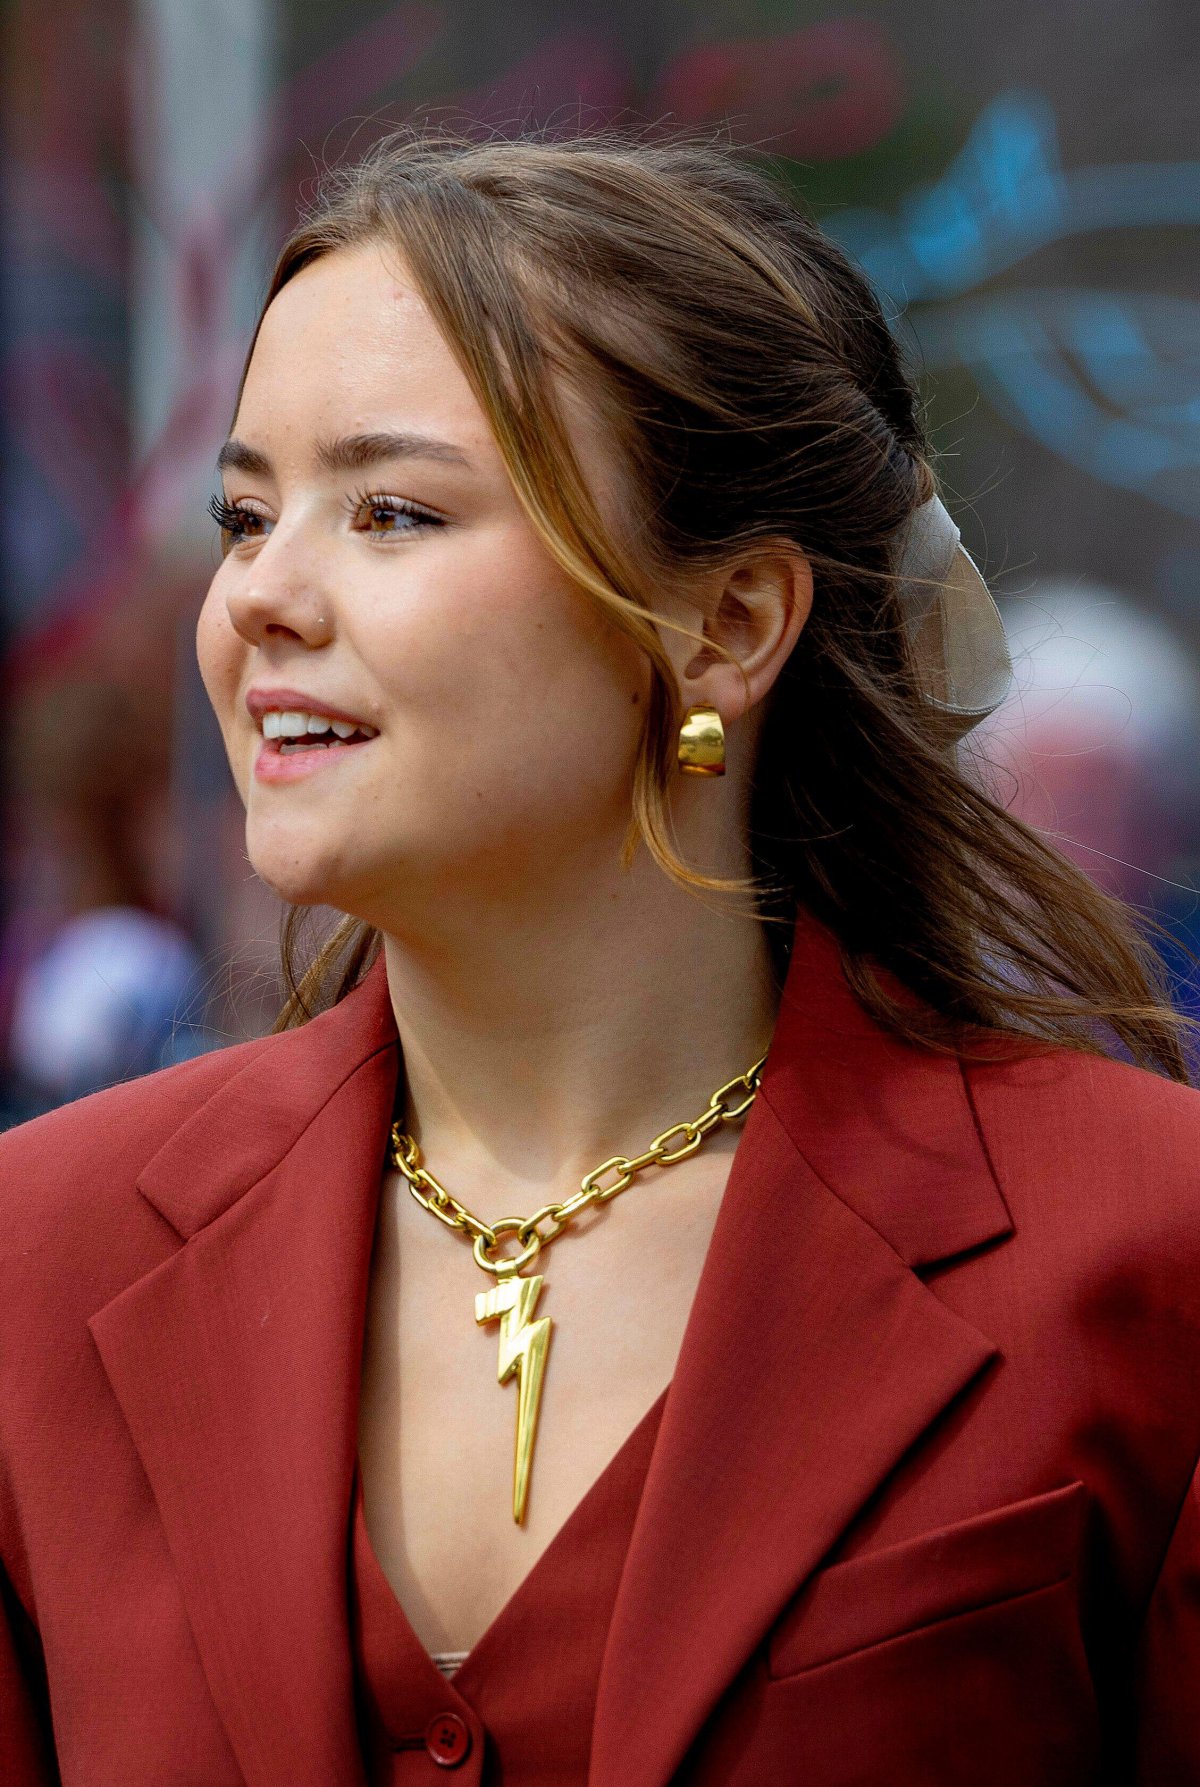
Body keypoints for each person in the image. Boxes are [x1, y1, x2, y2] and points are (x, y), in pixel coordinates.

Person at [2, 127, 1198, 1787]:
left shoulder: (1144, 1248)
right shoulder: (37, 1262)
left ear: (728, 624)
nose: (262, 595)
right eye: (245, 512)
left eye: (393, 509)